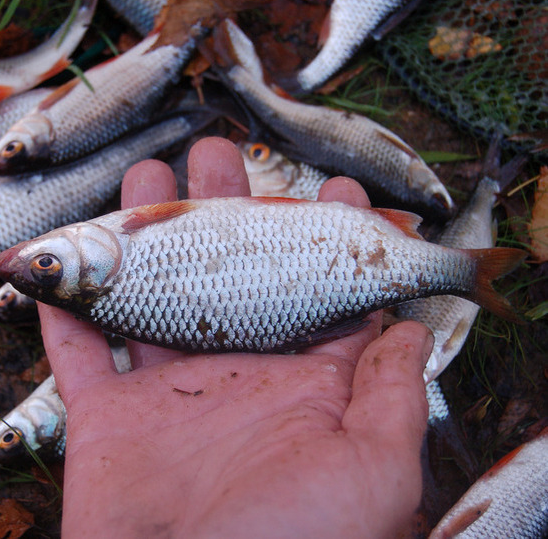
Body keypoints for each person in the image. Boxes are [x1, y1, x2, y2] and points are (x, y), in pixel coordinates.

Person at [38, 137, 433, 537]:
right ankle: (461, 272)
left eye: (45, 264)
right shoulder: (127, 242)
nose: (43, 259)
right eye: (47, 264)